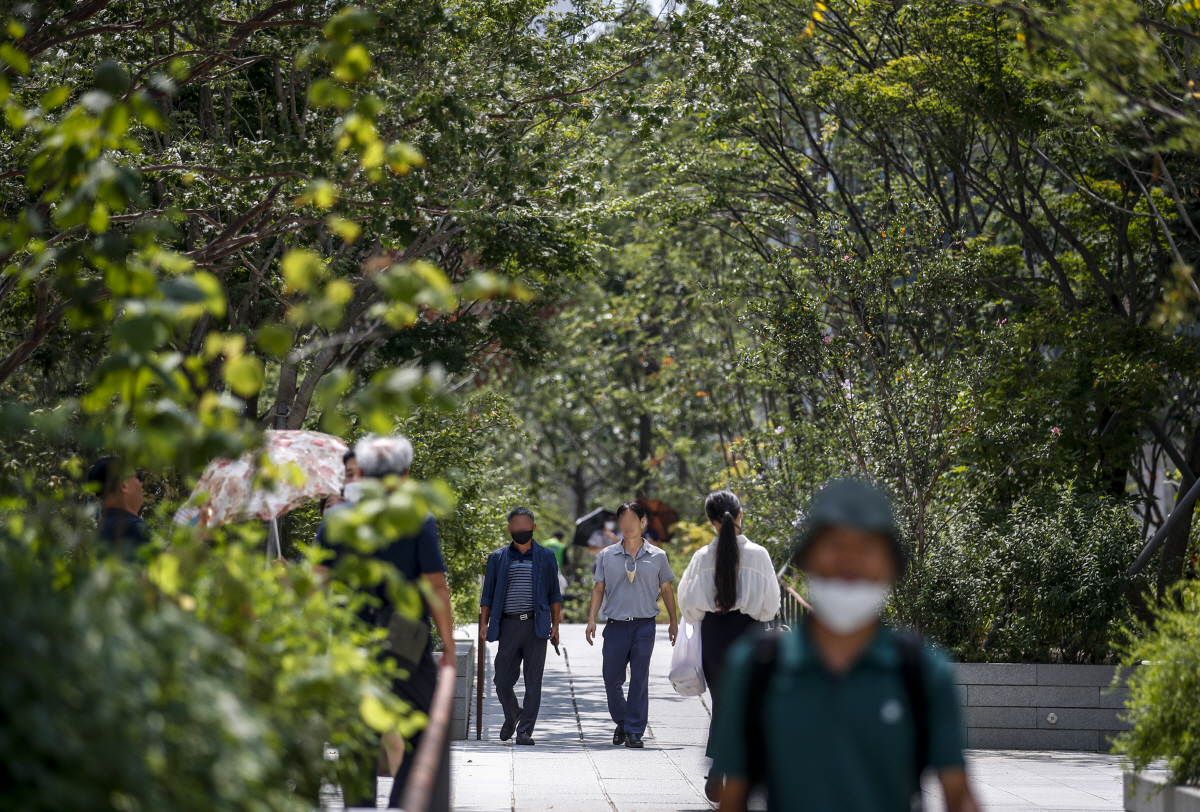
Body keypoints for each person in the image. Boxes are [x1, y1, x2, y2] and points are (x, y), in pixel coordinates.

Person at [712, 479, 978, 812]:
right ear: (808, 557)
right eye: (834, 544)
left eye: (867, 546)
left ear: (890, 563)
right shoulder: (755, 665)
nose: (849, 559)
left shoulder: (923, 670)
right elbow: (733, 795)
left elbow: (959, 794)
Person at [316, 435, 455, 809]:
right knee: (423, 725)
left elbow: (317, 582)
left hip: (352, 634)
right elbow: (436, 587)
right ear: (405, 473)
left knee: (358, 728)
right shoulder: (417, 517)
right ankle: (402, 802)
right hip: (405, 633)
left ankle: (360, 804)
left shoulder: (338, 517)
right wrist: (450, 649)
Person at [676, 490, 780, 800]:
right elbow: (771, 606)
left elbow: (687, 603)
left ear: (710, 521)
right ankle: (734, 772)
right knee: (748, 705)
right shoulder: (759, 555)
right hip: (750, 634)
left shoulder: (700, 558)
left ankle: (720, 768)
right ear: (740, 515)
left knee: (724, 703)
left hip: (714, 638)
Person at [585, 501, 679, 749]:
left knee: (639, 678)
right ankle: (623, 721)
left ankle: (635, 731)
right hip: (615, 626)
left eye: (632, 520)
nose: (627, 526)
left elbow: (667, 589)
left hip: (644, 626)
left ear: (642, 522)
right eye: (622, 521)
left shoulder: (658, 556)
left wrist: (673, 621)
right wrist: (592, 619)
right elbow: (598, 588)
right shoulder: (607, 555)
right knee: (611, 680)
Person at [478, 507, 563, 745]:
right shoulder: (498, 557)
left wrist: (555, 626)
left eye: (525, 525)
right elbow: (488, 594)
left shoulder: (546, 556)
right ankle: (513, 712)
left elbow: (554, 594)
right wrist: (483, 624)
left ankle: (525, 731)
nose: (521, 529)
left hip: (537, 625)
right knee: (502, 680)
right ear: (509, 528)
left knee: (533, 680)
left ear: (533, 527)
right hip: (508, 626)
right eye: (516, 525)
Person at [87, 457, 151, 554]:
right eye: (137, 477)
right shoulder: (133, 528)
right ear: (124, 485)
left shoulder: (102, 530)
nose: (141, 484)